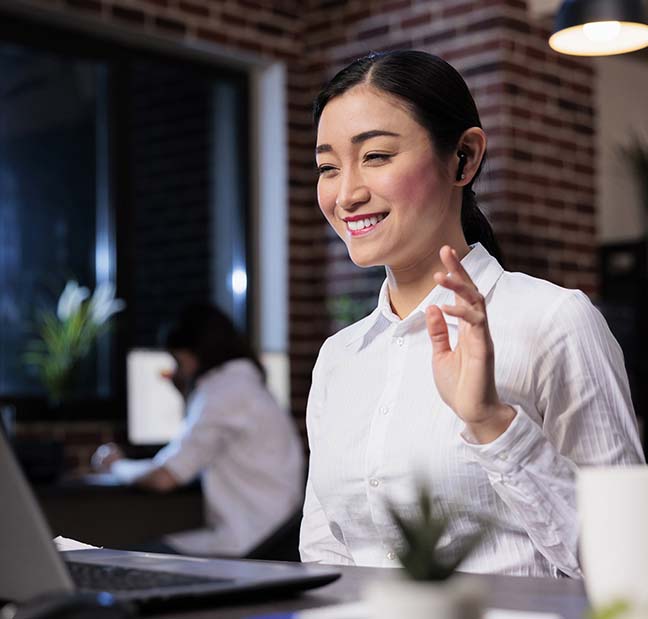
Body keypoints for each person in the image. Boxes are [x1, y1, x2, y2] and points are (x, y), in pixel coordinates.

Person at [299, 50, 645, 577]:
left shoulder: (554, 321)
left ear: (463, 157)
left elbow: (630, 565)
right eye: (328, 167)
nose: (346, 194)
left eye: (376, 156)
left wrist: (491, 423)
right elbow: (325, 558)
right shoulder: (339, 359)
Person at [92, 303, 304, 557]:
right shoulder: (243, 385)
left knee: (127, 558)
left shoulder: (220, 393)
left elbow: (164, 477)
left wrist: (116, 465)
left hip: (251, 540)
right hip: (273, 534)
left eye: (178, 362)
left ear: (192, 355)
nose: (178, 372)